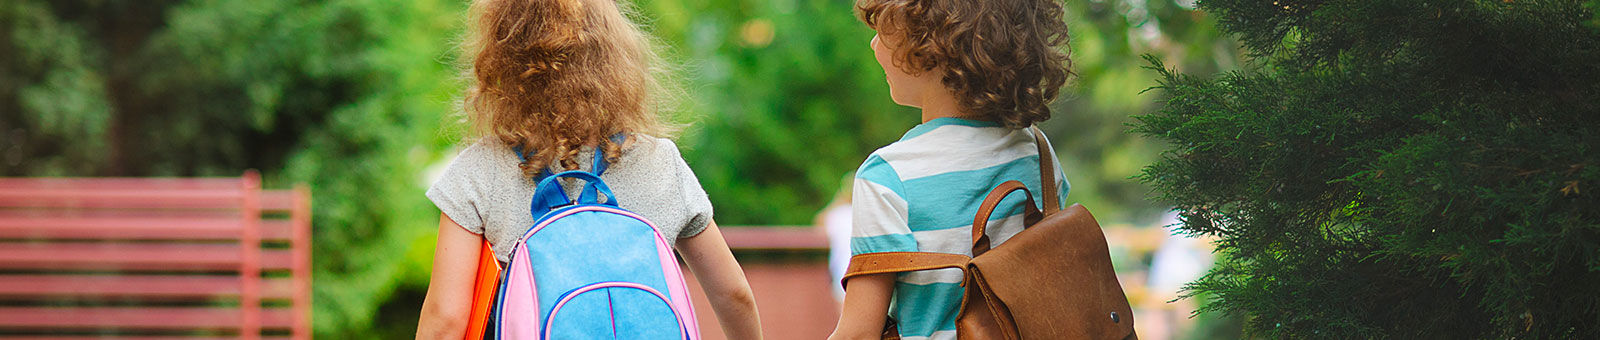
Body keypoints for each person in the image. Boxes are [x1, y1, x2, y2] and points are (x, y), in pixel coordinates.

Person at [415, 0, 761, 338]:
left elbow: (446, 320)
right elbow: (733, 294)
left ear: (501, 59)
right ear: (614, 54)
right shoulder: (658, 161)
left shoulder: (480, 168)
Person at [828, 0, 1073, 339]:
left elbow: (858, 333)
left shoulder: (887, 176)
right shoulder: (1037, 152)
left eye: (885, 32)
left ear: (931, 48)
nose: (873, 45)